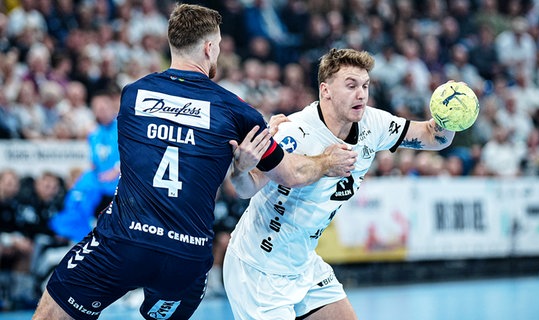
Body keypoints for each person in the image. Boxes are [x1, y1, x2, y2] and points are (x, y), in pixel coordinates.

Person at [32, 4, 356, 320]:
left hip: (124, 242)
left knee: (54, 309)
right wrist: (326, 160)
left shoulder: (133, 94)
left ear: (172, 43)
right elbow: (293, 174)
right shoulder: (237, 111)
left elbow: (168, 136)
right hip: (186, 259)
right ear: (210, 48)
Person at [223, 48, 457, 319]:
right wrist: (241, 169)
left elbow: (433, 137)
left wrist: (449, 116)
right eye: (351, 85)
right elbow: (246, 188)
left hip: (303, 263)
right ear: (326, 91)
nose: (361, 94)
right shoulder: (295, 132)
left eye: (365, 86)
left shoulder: (373, 123)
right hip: (258, 268)